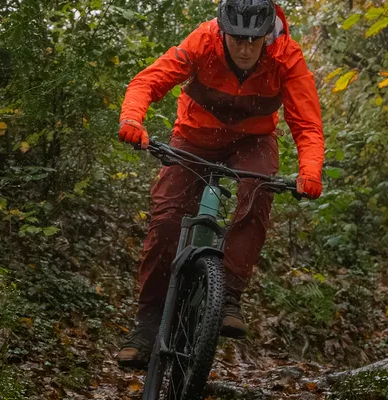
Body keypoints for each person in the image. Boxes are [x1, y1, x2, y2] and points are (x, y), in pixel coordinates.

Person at [115, 0, 324, 369]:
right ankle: (147, 323)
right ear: (223, 31)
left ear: (267, 35)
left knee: (257, 192)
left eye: (253, 40)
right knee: (166, 218)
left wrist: (310, 170)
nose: (244, 49)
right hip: (195, 137)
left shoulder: (286, 56)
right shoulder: (203, 40)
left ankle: (228, 296)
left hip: (253, 142)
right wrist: (133, 118)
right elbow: (148, 81)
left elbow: (306, 123)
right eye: (237, 39)